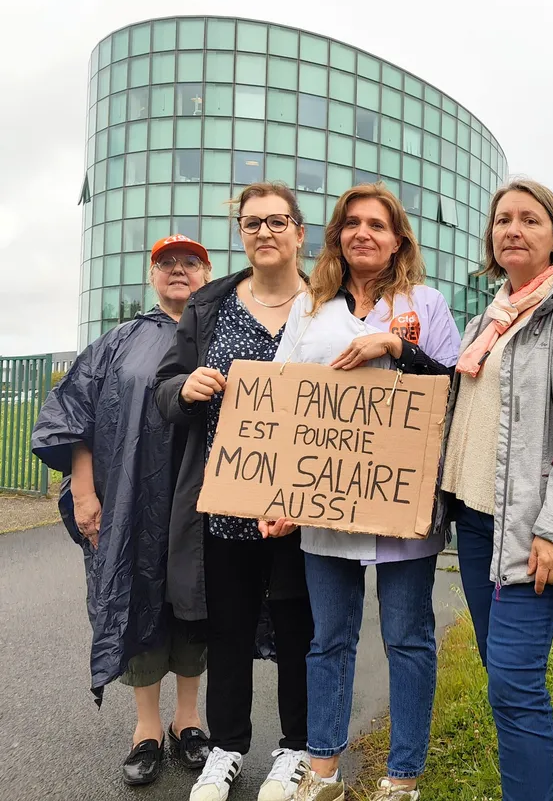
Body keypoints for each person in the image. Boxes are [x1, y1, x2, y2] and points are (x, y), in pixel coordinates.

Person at [264, 183, 460, 801]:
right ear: (336, 236)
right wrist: (278, 494)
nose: (363, 234)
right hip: (327, 503)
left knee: (407, 638)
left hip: (403, 503)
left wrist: (397, 347)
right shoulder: (310, 308)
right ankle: (323, 772)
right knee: (329, 639)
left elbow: (455, 388)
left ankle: (401, 776)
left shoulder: (425, 305)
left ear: (398, 238)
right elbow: (282, 401)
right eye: (351, 224)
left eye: (377, 224)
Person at [439, 179, 553, 801]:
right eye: (503, 219)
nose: (512, 229)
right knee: (502, 678)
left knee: (514, 683)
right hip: (477, 519)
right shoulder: (491, 316)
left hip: (533, 528)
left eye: (529, 220)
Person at [154, 182, 315, 801]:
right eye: (252, 223)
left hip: (305, 508)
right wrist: (186, 387)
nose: (265, 232)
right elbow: (167, 387)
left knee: (301, 630)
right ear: (241, 234)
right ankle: (226, 749)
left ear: (300, 233)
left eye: (278, 221)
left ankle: (295, 749)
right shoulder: (209, 306)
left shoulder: (329, 306)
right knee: (229, 629)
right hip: (227, 505)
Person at [32, 235, 212, 787]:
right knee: (135, 597)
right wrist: (85, 493)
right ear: (152, 275)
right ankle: (146, 730)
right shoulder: (118, 342)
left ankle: (190, 720)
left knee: (195, 600)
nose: (177, 271)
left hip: (200, 502)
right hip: (130, 501)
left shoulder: (223, 335)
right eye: (167, 264)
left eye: (189, 263)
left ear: (207, 272)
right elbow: (76, 414)